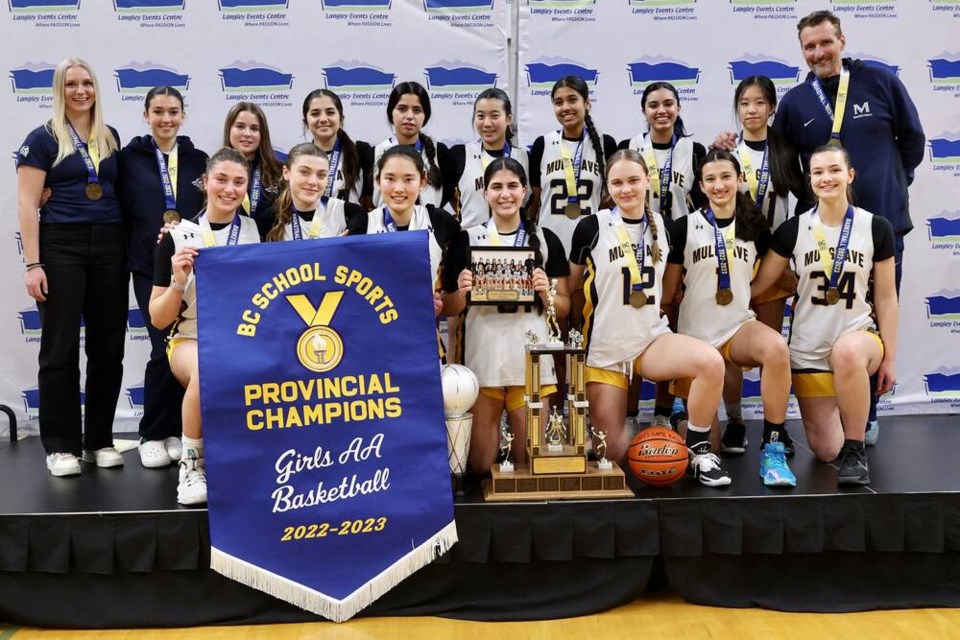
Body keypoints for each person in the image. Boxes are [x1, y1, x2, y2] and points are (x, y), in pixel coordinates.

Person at [716, 10, 924, 444]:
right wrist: (730, 146)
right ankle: (830, 412)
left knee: (876, 313)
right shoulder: (795, 101)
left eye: (825, 43)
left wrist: (892, 185)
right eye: (809, 47)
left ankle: (867, 414)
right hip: (823, 236)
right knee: (824, 317)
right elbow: (777, 156)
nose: (818, 53)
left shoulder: (881, 81)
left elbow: (914, 141)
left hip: (880, 225)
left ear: (842, 41)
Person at [568, 149, 726, 485]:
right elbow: (569, 288)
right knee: (614, 453)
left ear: (647, 181)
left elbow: (667, 294)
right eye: (617, 182)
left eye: (633, 180)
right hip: (605, 350)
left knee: (711, 363)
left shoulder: (665, 227)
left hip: (651, 339)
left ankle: (698, 450)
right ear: (607, 187)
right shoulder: (591, 227)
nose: (626, 189)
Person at [752, 144, 898, 486]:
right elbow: (758, 287)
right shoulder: (792, 230)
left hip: (859, 337)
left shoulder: (876, 227)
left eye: (834, 170)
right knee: (825, 450)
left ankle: (856, 448)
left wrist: (890, 356)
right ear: (810, 180)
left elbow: (887, 297)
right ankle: (845, 437)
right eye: (817, 172)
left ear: (849, 175)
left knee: (846, 352)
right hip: (808, 349)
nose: (826, 178)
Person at [17, 57, 127, 477]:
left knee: (108, 348)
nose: (80, 91)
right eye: (70, 84)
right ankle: (60, 445)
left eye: (87, 83)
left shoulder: (109, 137)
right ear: (58, 91)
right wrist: (33, 263)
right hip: (61, 245)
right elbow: (27, 203)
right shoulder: (42, 138)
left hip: (110, 245)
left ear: (97, 88)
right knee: (60, 349)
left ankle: (98, 439)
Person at [662, 150, 794, 487]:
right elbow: (669, 292)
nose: (719, 185)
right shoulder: (682, 228)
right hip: (695, 338)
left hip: (737, 327)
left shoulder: (755, 226)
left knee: (777, 347)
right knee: (710, 448)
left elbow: (777, 275)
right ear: (702, 187)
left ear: (739, 180)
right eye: (711, 179)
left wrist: (752, 291)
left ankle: (774, 446)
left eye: (725, 177)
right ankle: (681, 415)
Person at [441, 157, 569, 473]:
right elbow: (448, 307)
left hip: (531, 361)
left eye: (512, 186)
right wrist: (461, 291)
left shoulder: (546, 239)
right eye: (497, 187)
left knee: (529, 466)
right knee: (481, 468)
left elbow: (565, 309)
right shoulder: (467, 240)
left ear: (524, 191)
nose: (505, 194)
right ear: (485, 192)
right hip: (483, 361)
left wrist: (545, 293)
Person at [150, 148, 261, 505]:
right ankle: (191, 464)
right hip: (190, 340)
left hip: (243, 341)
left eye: (239, 182)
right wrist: (178, 281)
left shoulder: (255, 230)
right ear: (205, 182)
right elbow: (158, 317)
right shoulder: (177, 235)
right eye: (221, 179)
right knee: (207, 368)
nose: (229, 189)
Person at [117, 85, 208, 469]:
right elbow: (113, 202)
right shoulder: (128, 159)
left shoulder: (197, 158)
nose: (166, 118)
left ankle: (175, 430)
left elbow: (210, 207)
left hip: (193, 266)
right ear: (146, 115)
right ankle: (151, 433)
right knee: (162, 347)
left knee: (188, 349)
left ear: (183, 115)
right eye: (158, 111)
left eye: (173, 111)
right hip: (147, 265)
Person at [720, 76, 804, 455]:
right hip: (733, 258)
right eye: (744, 103)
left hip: (772, 260)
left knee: (772, 349)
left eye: (759, 103)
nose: (751, 110)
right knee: (728, 347)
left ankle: (776, 428)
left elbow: (806, 203)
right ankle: (735, 421)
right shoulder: (724, 150)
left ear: (772, 107)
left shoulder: (787, 151)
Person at [620, 81, 707, 433]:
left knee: (669, 325)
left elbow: (703, 202)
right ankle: (627, 414)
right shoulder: (630, 147)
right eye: (653, 105)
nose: (661, 110)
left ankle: (662, 410)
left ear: (679, 108)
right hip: (639, 245)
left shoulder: (693, 149)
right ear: (644, 111)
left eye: (668, 103)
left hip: (679, 248)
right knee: (634, 324)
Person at [359, 145, 461, 319]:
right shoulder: (361, 224)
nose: (399, 188)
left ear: (422, 181)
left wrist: (439, 307)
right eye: (390, 179)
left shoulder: (440, 222)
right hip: (374, 332)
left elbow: (449, 293)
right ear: (377, 181)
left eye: (408, 179)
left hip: (422, 330)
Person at [528, 75, 617, 256]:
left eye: (572, 100)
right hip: (549, 244)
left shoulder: (605, 144)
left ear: (587, 103)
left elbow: (610, 203)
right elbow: (534, 203)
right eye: (558, 102)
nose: (565, 107)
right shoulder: (542, 144)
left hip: (592, 243)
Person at [446, 88, 530, 229]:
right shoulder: (460, 154)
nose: (487, 123)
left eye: (494, 116)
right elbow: (451, 197)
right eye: (480, 116)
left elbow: (531, 203)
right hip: (471, 244)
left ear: (508, 119)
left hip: (514, 244)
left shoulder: (524, 158)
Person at [264, 143, 365, 242]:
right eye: (304, 172)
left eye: (321, 175)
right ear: (286, 172)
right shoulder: (270, 219)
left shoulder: (351, 214)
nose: (313, 182)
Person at [372, 82, 450, 210]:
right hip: (387, 228)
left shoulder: (440, 153)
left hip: (429, 227)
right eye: (402, 109)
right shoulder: (375, 153)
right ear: (391, 112)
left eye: (417, 110)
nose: (409, 116)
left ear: (425, 115)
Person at [301, 88, 374, 209]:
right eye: (315, 114)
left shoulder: (361, 151)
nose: (323, 119)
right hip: (313, 227)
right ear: (306, 121)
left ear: (341, 118)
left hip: (352, 226)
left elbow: (370, 200)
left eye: (330, 112)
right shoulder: (300, 159)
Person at [222, 102, 283, 238]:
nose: (247, 134)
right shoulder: (216, 169)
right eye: (240, 126)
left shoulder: (279, 169)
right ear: (229, 129)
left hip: (272, 250)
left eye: (254, 129)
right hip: (232, 251)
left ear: (262, 134)